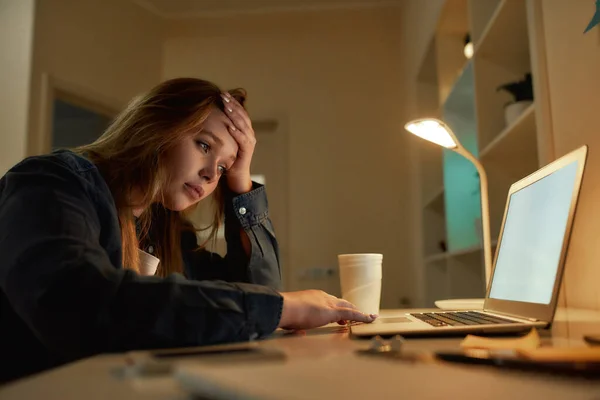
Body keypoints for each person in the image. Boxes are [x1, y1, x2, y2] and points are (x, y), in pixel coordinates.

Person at [0, 77, 376, 382]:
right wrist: (282, 308)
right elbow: (80, 302)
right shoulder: (51, 182)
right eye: (202, 145)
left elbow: (259, 290)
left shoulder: (161, 228)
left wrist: (241, 181)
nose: (213, 174)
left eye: (225, 167)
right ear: (155, 128)